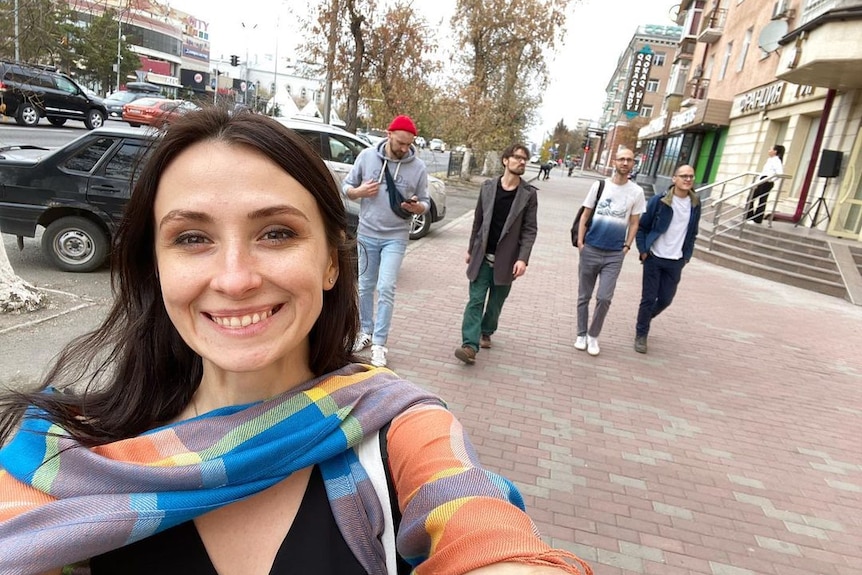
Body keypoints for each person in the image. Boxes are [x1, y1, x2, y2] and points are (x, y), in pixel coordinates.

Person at [0, 109, 592, 575]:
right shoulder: (62, 456)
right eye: (191, 238)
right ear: (153, 266)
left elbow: (478, 523)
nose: (234, 278)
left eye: (277, 233)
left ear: (332, 263)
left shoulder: (400, 429)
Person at [343, 114, 429, 368]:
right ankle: (365, 331)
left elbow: (426, 202)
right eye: (400, 142)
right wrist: (358, 192)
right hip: (367, 232)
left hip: (396, 236)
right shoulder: (367, 157)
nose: (404, 148)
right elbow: (346, 186)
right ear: (389, 135)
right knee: (366, 285)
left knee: (387, 286)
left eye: (409, 144)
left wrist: (417, 208)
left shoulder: (418, 167)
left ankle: (380, 343)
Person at [455, 143, 538, 365]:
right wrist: (471, 250)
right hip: (482, 256)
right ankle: (469, 346)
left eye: (524, 159)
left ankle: (487, 329)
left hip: (508, 259)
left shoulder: (528, 195)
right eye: (518, 157)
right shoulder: (488, 187)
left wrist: (523, 258)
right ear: (505, 160)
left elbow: (530, 229)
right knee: (475, 300)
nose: (522, 162)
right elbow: (478, 221)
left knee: (495, 304)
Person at [574, 147, 645, 356]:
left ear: (633, 164)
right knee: (584, 295)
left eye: (629, 160)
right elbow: (585, 215)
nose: (625, 163)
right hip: (591, 248)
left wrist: (627, 246)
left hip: (614, 253)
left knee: (604, 297)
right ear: (615, 161)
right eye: (621, 159)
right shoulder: (599, 185)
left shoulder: (637, 192)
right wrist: (580, 242)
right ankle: (581, 333)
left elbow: (634, 222)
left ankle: (593, 336)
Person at [633, 165, 701, 354]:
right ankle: (641, 334)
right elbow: (642, 226)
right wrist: (644, 249)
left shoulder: (695, 204)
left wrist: (687, 255)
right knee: (648, 298)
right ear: (674, 179)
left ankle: (644, 319)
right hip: (654, 257)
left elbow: (693, 232)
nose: (687, 179)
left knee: (665, 299)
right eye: (683, 176)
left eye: (691, 176)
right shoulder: (659, 200)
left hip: (676, 260)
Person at [746, 144, 785, 224]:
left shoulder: (776, 160)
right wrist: (757, 182)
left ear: (775, 151)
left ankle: (756, 220)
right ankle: (750, 217)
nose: (769, 150)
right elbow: (763, 172)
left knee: (761, 200)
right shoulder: (770, 160)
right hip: (762, 180)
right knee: (751, 198)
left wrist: (770, 180)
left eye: (770, 149)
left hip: (767, 181)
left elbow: (779, 174)